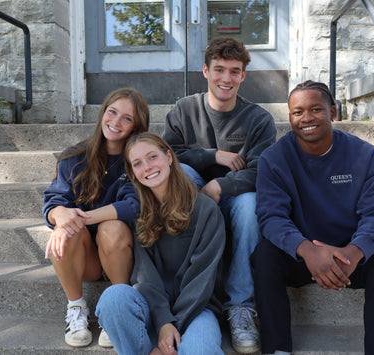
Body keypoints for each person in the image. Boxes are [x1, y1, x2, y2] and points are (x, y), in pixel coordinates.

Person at [251, 80, 374, 355]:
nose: (306, 118)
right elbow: (271, 217)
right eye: (297, 112)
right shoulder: (274, 159)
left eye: (315, 109)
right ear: (290, 117)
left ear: (333, 112)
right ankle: (277, 349)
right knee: (264, 255)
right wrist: (307, 251)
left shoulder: (364, 155)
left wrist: (354, 253)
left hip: (350, 257)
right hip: (300, 256)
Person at [163, 36, 276, 353]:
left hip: (231, 200)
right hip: (192, 198)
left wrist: (220, 185)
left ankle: (240, 306)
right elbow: (166, 155)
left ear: (244, 75)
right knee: (180, 173)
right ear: (205, 71)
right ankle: (180, 288)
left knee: (251, 203)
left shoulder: (258, 119)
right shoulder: (184, 111)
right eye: (219, 69)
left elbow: (260, 171)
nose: (226, 78)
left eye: (234, 71)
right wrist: (212, 156)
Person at [95, 132, 226, 355]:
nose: (147, 167)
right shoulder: (138, 213)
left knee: (199, 349)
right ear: (132, 172)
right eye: (137, 163)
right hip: (152, 309)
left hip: (197, 310)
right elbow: (145, 278)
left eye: (152, 157)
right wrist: (163, 321)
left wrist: (172, 327)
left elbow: (202, 278)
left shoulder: (205, 209)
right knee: (113, 298)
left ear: (169, 157)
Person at [42, 88, 149, 348]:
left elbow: (134, 206)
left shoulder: (138, 160)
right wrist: (61, 216)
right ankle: (76, 308)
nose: (115, 122)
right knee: (65, 229)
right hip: (86, 258)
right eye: (112, 112)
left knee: (111, 227)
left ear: (136, 126)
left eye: (127, 118)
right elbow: (54, 201)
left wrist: (80, 217)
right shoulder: (74, 157)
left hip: (124, 255)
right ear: (102, 113)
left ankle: (117, 307)